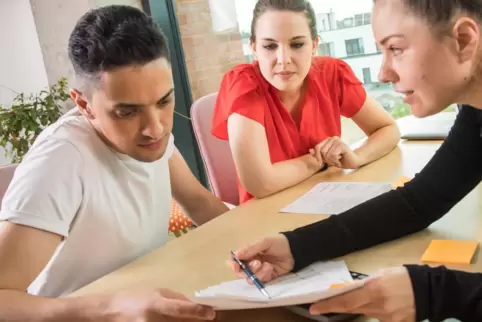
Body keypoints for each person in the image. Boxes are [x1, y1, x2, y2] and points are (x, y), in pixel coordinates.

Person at [230, 0, 482, 321]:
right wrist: (296, 247)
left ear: (463, 40)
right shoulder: (476, 115)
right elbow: (419, 203)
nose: (383, 72)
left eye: (396, 49)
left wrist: (435, 292)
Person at [0, 5, 225, 321]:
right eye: (127, 111)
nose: (155, 127)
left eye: (164, 101)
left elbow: (200, 204)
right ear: (84, 104)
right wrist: (111, 308)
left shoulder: (151, 136)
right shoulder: (60, 161)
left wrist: (261, 246)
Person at [211, 0, 400, 204]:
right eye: (269, 46)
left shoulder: (332, 74)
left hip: (329, 199)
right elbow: (261, 183)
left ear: (314, 45)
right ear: (254, 48)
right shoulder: (243, 84)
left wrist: (357, 157)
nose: (283, 59)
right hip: (266, 214)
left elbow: (388, 128)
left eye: (297, 44)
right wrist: (317, 161)